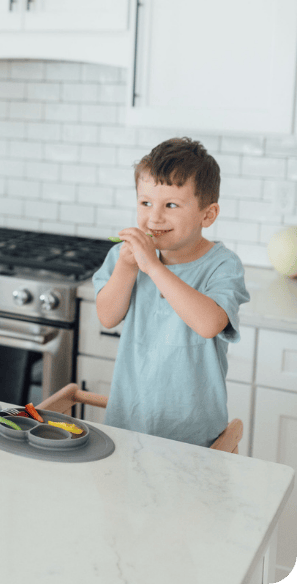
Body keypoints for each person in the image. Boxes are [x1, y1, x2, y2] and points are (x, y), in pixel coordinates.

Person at [93, 137, 250, 447]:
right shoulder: (123, 257)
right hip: (128, 424)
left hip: (193, 434)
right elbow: (107, 317)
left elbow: (209, 325)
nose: (154, 217)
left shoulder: (223, 265)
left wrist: (153, 267)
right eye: (145, 203)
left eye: (172, 205)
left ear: (208, 215)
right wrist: (127, 268)